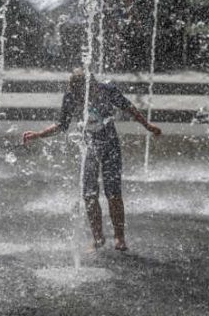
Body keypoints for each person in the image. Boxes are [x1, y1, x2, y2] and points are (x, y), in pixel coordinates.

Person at [23, 69, 162, 251]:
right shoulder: (70, 97)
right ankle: (98, 238)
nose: (82, 98)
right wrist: (39, 134)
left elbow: (129, 108)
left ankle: (120, 238)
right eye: (78, 95)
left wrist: (148, 126)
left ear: (94, 85)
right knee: (89, 195)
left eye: (84, 93)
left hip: (110, 146)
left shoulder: (108, 90)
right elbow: (62, 125)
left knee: (113, 193)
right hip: (89, 148)